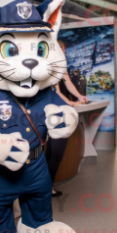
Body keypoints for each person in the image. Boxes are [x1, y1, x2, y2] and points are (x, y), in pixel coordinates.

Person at [46, 41, 88, 197]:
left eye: (64, 48)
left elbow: (67, 82)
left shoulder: (60, 64)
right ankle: (47, 188)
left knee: (51, 151)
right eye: (60, 49)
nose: (63, 51)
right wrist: (70, 102)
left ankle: (45, 186)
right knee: (56, 152)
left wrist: (79, 96)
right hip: (54, 111)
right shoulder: (49, 65)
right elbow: (55, 91)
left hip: (53, 109)